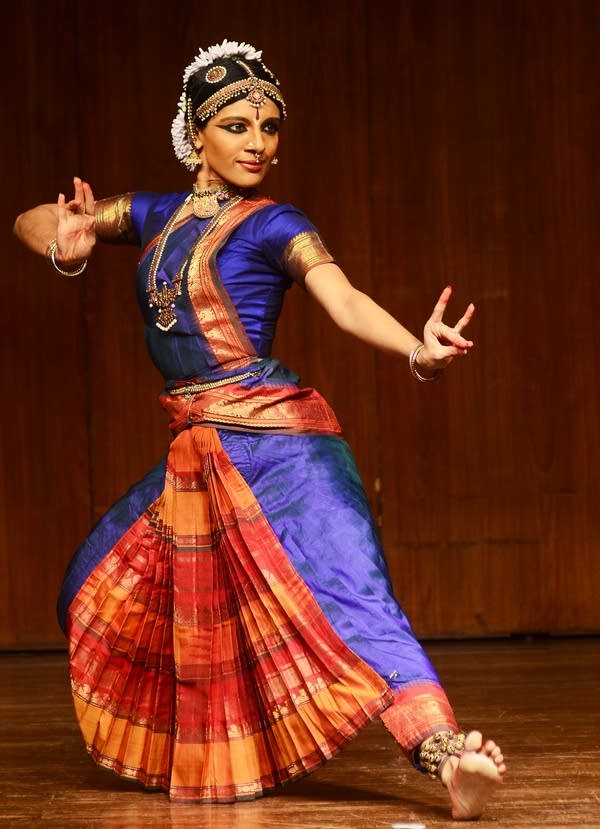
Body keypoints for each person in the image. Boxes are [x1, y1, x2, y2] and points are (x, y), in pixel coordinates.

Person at [13, 39, 505, 820]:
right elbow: (34, 220)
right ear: (195, 134)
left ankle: (449, 757)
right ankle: (223, 748)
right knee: (94, 581)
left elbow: (340, 299)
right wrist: (65, 242)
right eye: (239, 125)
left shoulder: (277, 222)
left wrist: (417, 347)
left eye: (270, 128)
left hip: (285, 447)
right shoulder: (152, 214)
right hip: (199, 453)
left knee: (356, 598)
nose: (258, 143)